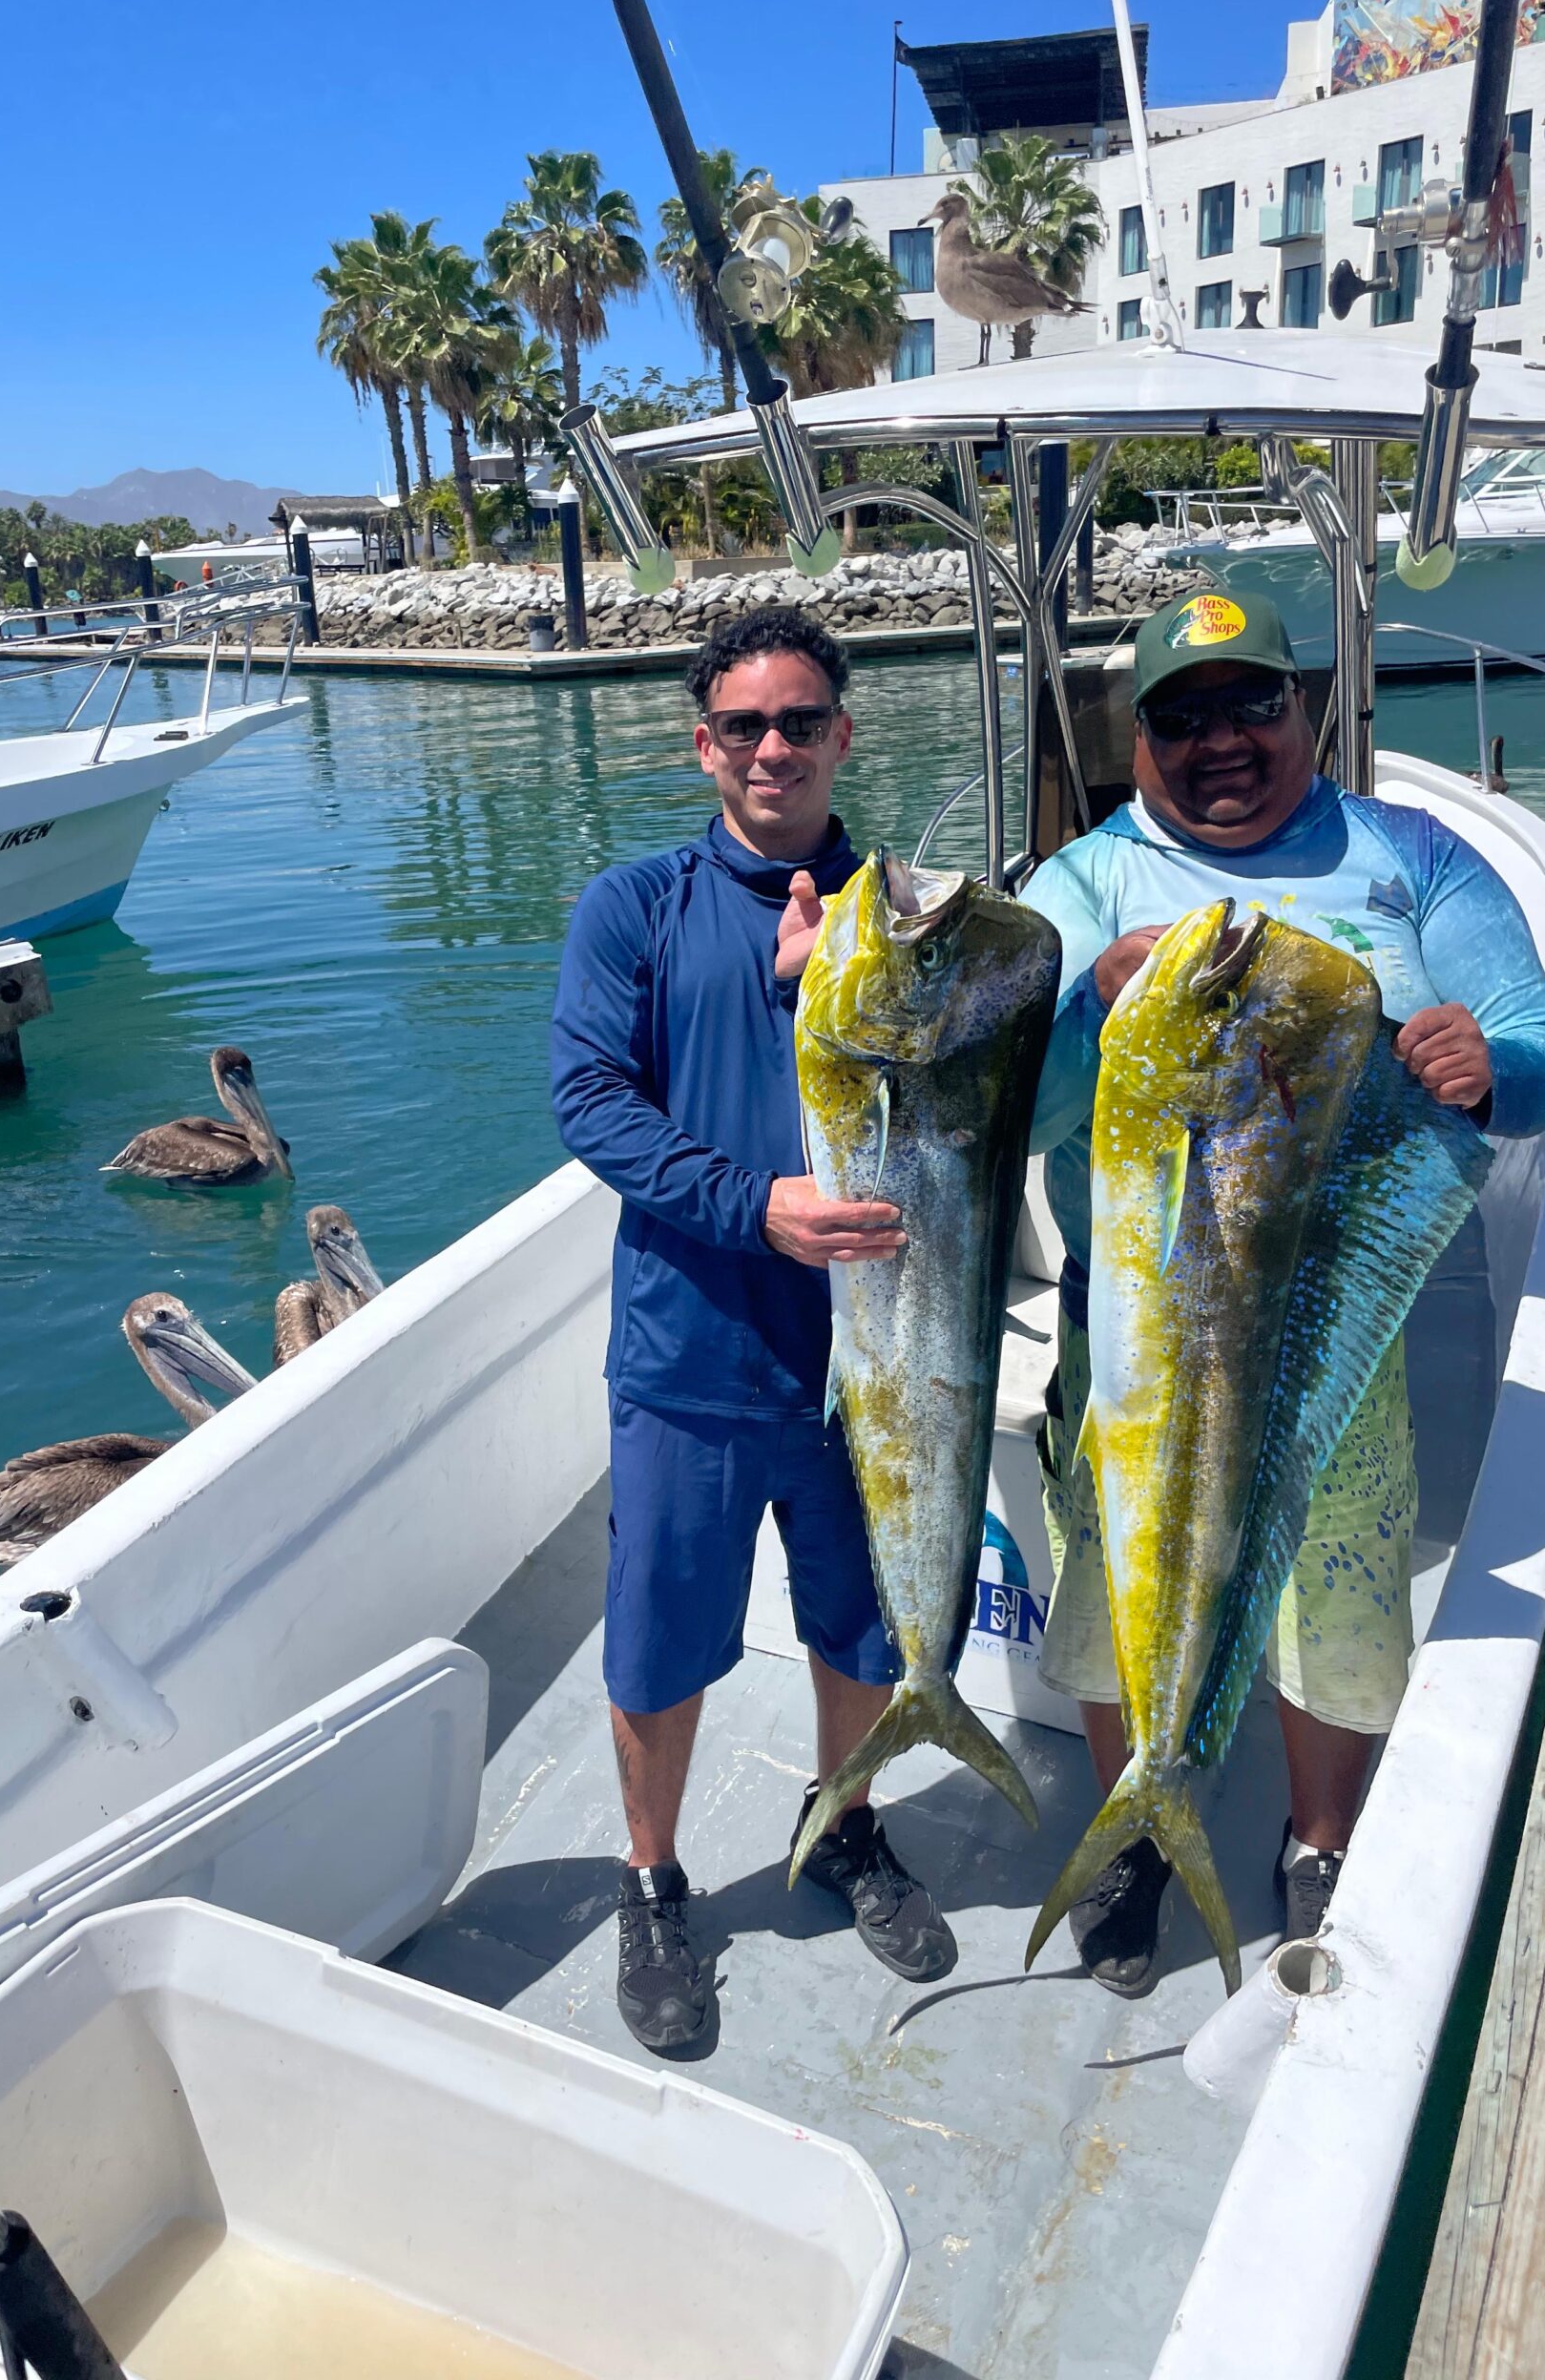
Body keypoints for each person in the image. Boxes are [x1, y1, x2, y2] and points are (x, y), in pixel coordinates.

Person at [1022, 584, 1545, 1996]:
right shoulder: (1084, 880)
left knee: (1336, 1590)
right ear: (1136, 740)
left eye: (1251, 705)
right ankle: (1134, 1828)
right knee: (1115, 1581)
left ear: (1307, 709)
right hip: (1138, 1325)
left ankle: (1318, 1838)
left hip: (1339, 1315)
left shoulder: (1412, 856)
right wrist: (1088, 999)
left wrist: (1493, 1066)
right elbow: (1011, 1113)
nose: (1221, 740)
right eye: (1182, 717)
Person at [551, 606, 958, 2057]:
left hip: (882, 1353)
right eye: (744, 725)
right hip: (696, 1352)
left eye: (800, 721)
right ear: (702, 744)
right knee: (660, 1641)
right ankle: (655, 1881)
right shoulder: (634, 907)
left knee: (862, 1621)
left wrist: (826, 996)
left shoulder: (913, 915)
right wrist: (756, 1207)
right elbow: (592, 1103)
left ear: (846, 733)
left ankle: (842, 1828)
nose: (773, 747)